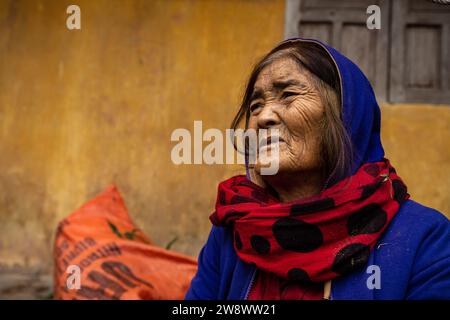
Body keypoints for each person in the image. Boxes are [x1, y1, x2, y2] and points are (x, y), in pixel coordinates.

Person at [185, 38, 450, 300]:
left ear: (347, 116)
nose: (263, 117)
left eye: (288, 95)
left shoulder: (424, 239)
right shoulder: (236, 228)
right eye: (256, 106)